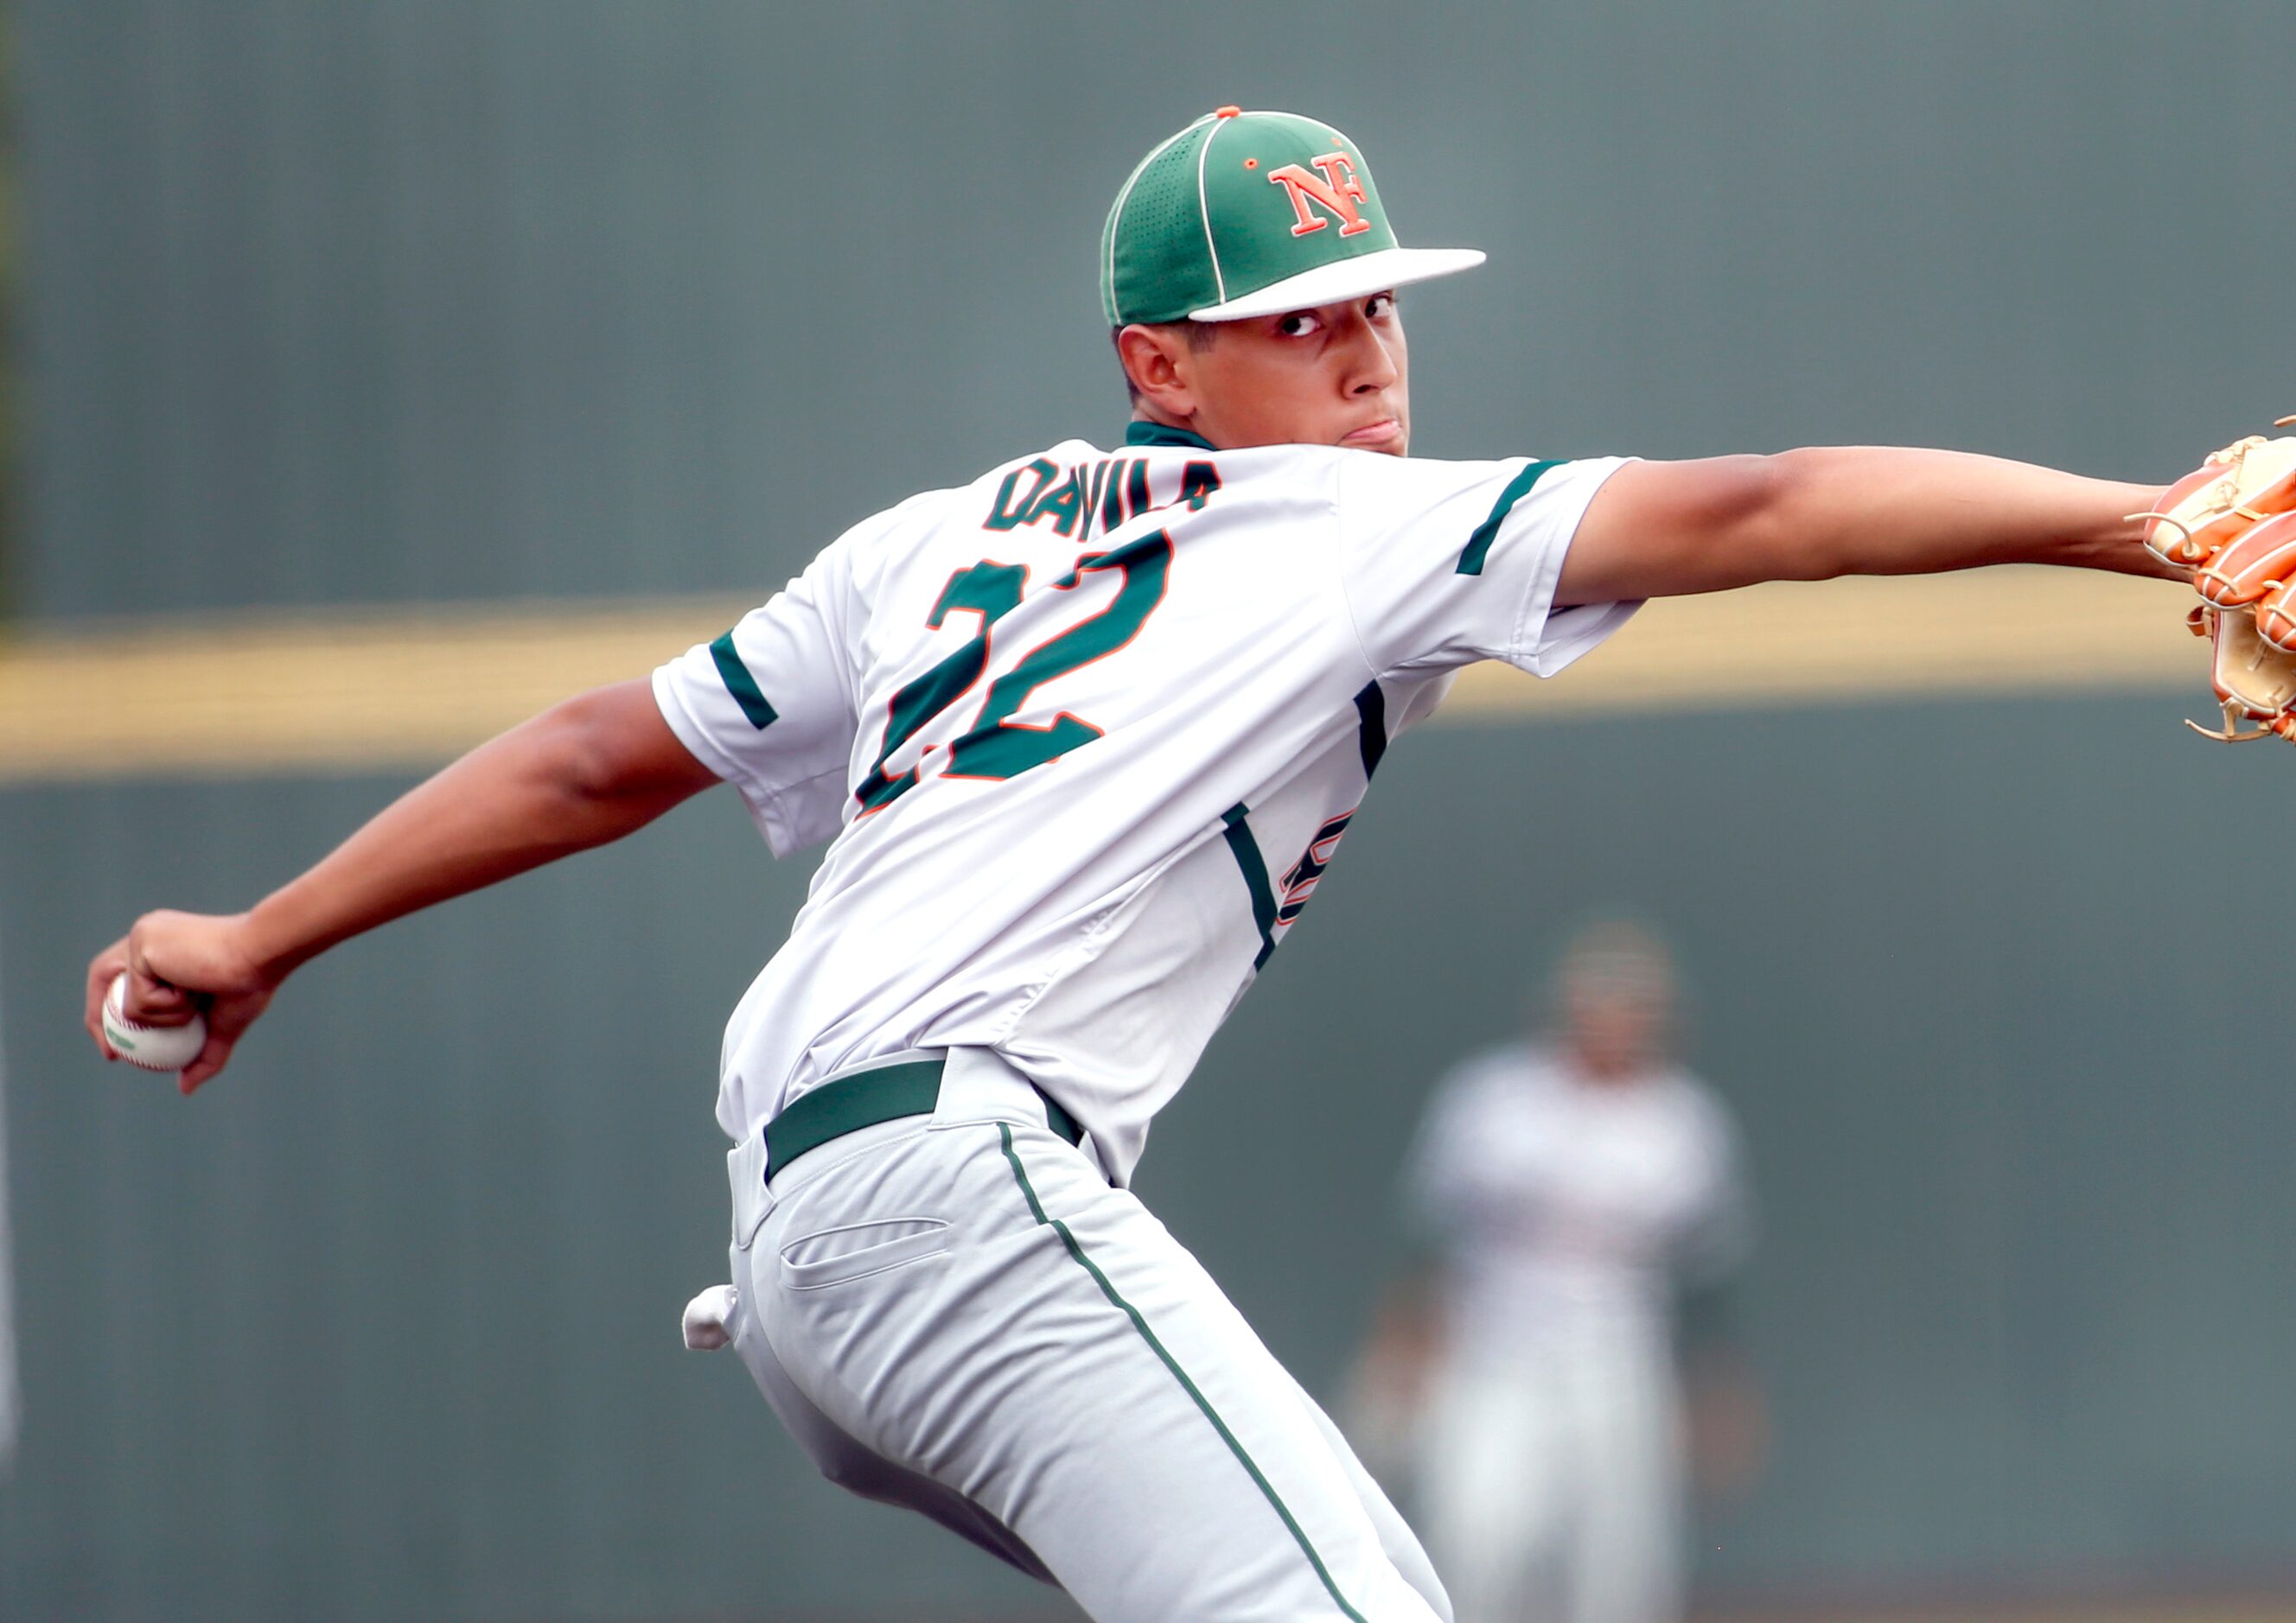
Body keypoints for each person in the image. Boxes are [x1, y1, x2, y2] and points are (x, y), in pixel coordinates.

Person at [86, 106, 2186, 1622]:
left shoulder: (921, 548)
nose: (1362, 356)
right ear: (1158, 367)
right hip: (953, 1201)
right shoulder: (1358, 528)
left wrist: (264, 929)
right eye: (1299, 322)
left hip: (824, 1252)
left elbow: (581, 760)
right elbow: (1770, 504)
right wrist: (2149, 520)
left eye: (1374, 305)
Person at [1352, 920, 1758, 1623]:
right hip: (1491, 1354)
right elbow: (1427, 1242)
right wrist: (1400, 1353)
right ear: (1564, 1005)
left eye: (1629, 1003)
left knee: (1619, 1567)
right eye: (1597, 998)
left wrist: (1714, 1395)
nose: (1611, 1017)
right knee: (1476, 1537)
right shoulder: (1492, 1099)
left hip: (1617, 1357)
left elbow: (1706, 1279)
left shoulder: (1684, 1121)